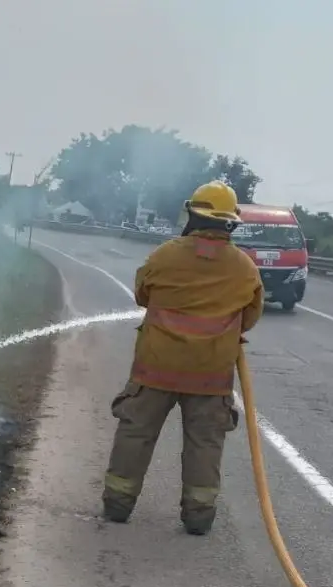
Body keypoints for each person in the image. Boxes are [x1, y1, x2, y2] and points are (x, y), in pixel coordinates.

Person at [102, 180, 264, 535]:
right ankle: (198, 516)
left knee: (136, 434)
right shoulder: (245, 268)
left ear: (193, 214)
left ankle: (117, 504)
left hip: (154, 369)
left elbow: (142, 295)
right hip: (210, 376)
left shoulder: (165, 255)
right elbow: (250, 317)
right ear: (229, 222)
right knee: (205, 444)